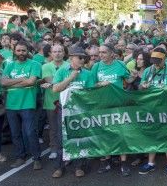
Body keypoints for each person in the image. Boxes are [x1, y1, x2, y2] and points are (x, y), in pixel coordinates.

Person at [92, 43, 137, 176]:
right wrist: (101, 84)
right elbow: (92, 84)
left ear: (112, 53)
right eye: (100, 52)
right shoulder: (96, 66)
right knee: (104, 134)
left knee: (121, 133)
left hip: (118, 104)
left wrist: (133, 76)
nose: (101, 55)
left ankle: (123, 163)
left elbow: (127, 80)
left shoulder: (120, 65)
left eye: (104, 52)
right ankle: (106, 162)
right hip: (102, 105)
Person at [51, 46, 95, 178]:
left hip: (80, 111)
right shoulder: (62, 71)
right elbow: (55, 89)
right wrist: (70, 78)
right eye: (79, 57)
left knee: (80, 138)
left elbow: (91, 93)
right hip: (64, 110)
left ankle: (79, 166)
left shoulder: (88, 73)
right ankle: (59, 166)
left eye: (84, 58)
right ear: (71, 58)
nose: (82, 60)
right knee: (61, 138)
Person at [0, 40, 42, 170]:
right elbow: (3, 82)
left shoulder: (34, 64)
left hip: (27, 104)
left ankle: (36, 158)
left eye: (23, 50)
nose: (21, 53)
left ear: (27, 51)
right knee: (15, 133)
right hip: (11, 105)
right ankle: (20, 156)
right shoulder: (10, 65)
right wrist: (22, 79)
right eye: (18, 50)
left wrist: (12, 82)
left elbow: (31, 82)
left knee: (30, 132)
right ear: (14, 51)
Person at [138, 47, 167, 177]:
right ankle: (150, 163)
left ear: (165, 58)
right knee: (152, 135)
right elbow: (140, 88)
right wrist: (142, 86)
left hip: (166, 110)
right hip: (150, 110)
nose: (155, 63)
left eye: (158, 61)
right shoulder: (148, 71)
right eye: (154, 60)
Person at [40, 44, 68, 160]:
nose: (57, 54)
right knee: (53, 127)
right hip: (51, 101)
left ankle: (67, 149)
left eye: (60, 51)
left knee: (66, 126)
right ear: (50, 54)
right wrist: (63, 82)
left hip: (67, 101)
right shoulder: (46, 66)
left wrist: (55, 84)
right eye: (55, 51)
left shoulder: (69, 65)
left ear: (64, 53)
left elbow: (54, 84)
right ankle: (54, 149)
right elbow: (52, 81)